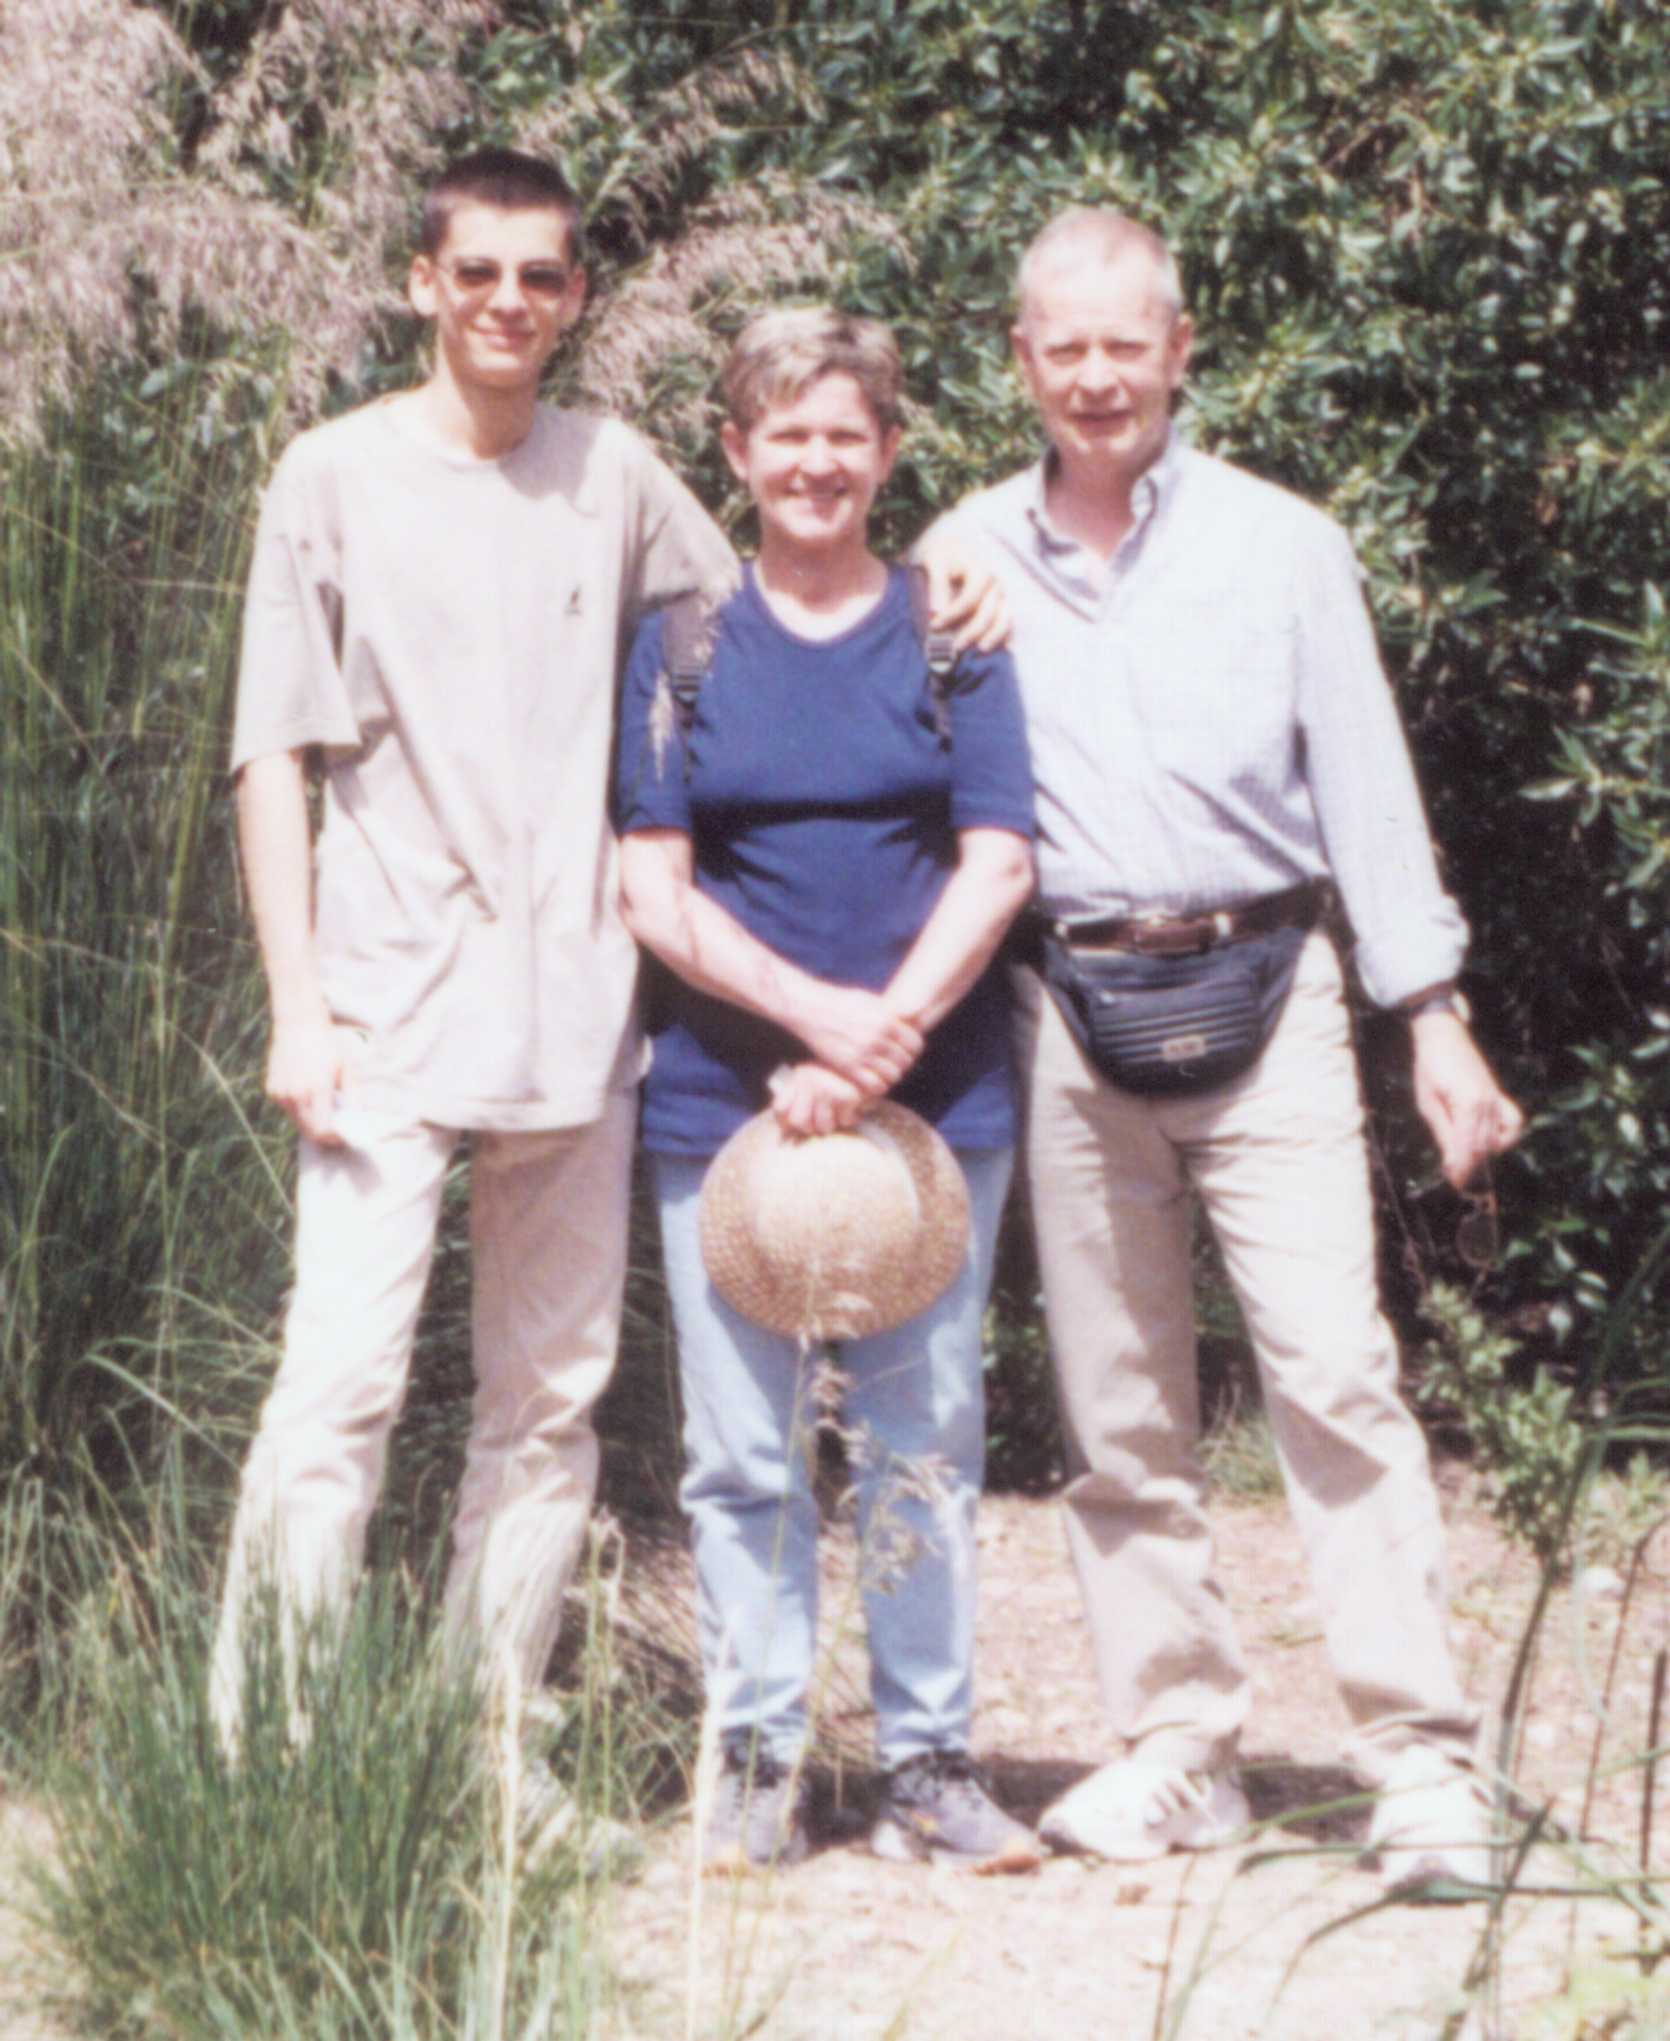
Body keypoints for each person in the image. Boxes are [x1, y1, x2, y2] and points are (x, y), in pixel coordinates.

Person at [209, 148, 1002, 1750]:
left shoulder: (616, 471)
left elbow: (793, 599)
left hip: (578, 1017)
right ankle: (269, 1759)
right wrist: (297, 1005)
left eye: (543, 276)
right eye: (478, 271)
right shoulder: (332, 475)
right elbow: (267, 757)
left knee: (548, 1402)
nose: (509, 301)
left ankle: (480, 1738)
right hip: (380, 1005)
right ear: (423, 282)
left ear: (575, 295)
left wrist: (954, 561)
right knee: (339, 1384)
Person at [938, 208, 1525, 1886]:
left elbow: (1367, 789)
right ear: (1019, 358)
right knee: (1116, 1405)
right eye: (1066, 346)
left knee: (1333, 1378)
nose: (1099, 375)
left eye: (1130, 342)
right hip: (1065, 1004)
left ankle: (1416, 1759)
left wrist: (1434, 1019)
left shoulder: (1286, 545)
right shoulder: (965, 553)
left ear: (1181, 348)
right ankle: (1180, 1741)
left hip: (1273, 991)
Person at [615, 308, 1039, 1873]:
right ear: (735, 452)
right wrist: (808, 1026)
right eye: (782, 433)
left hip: (938, 1103)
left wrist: (884, 1040)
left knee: (920, 1439)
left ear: (885, 452)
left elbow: (1000, 855)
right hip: (721, 1101)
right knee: (742, 1451)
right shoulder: (680, 645)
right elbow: (651, 887)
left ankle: (929, 1760)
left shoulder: (950, 629)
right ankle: (757, 1757)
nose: (813, 462)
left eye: (843, 434)